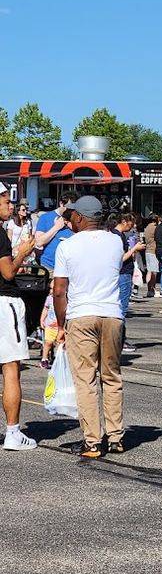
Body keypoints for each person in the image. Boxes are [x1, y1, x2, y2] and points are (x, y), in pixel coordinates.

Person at [52, 196, 126, 458]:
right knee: (111, 376)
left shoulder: (67, 246)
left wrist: (61, 325)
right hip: (112, 314)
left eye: (72, 216)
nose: (69, 219)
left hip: (81, 315)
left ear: (81, 217)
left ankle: (92, 441)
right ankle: (116, 436)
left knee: (85, 379)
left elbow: (60, 291)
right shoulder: (116, 241)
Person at [0, 190, 37, 451]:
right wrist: (22, 252)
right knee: (10, 368)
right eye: (5, 201)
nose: (10, 205)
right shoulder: (0, 234)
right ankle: (13, 432)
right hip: (4, 302)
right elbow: (7, 272)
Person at [113, 212, 145, 354]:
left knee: (119, 307)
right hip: (123, 274)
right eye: (131, 223)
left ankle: (118, 339)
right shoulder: (118, 236)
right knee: (122, 308)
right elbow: (121, 258)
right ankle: (120, 340)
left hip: (121, 274)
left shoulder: (115, 235)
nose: (133, 226)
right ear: (124, 221)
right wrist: (134, 249)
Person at [34, 195, 74, 273]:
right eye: (68, 208)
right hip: (48, 266)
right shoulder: (45, 217)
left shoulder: (74, 218)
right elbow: (39, 242)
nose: (70, 211)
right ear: (61, 204)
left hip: (68, 268)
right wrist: (56, 227)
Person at [143, 214, 159, 297]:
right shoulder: (155, 228)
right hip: (153, 250)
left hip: (147, 250)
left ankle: (149, 289)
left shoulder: (147, 228)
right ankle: (152, 289)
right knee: (154, 271)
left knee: (149, 270)